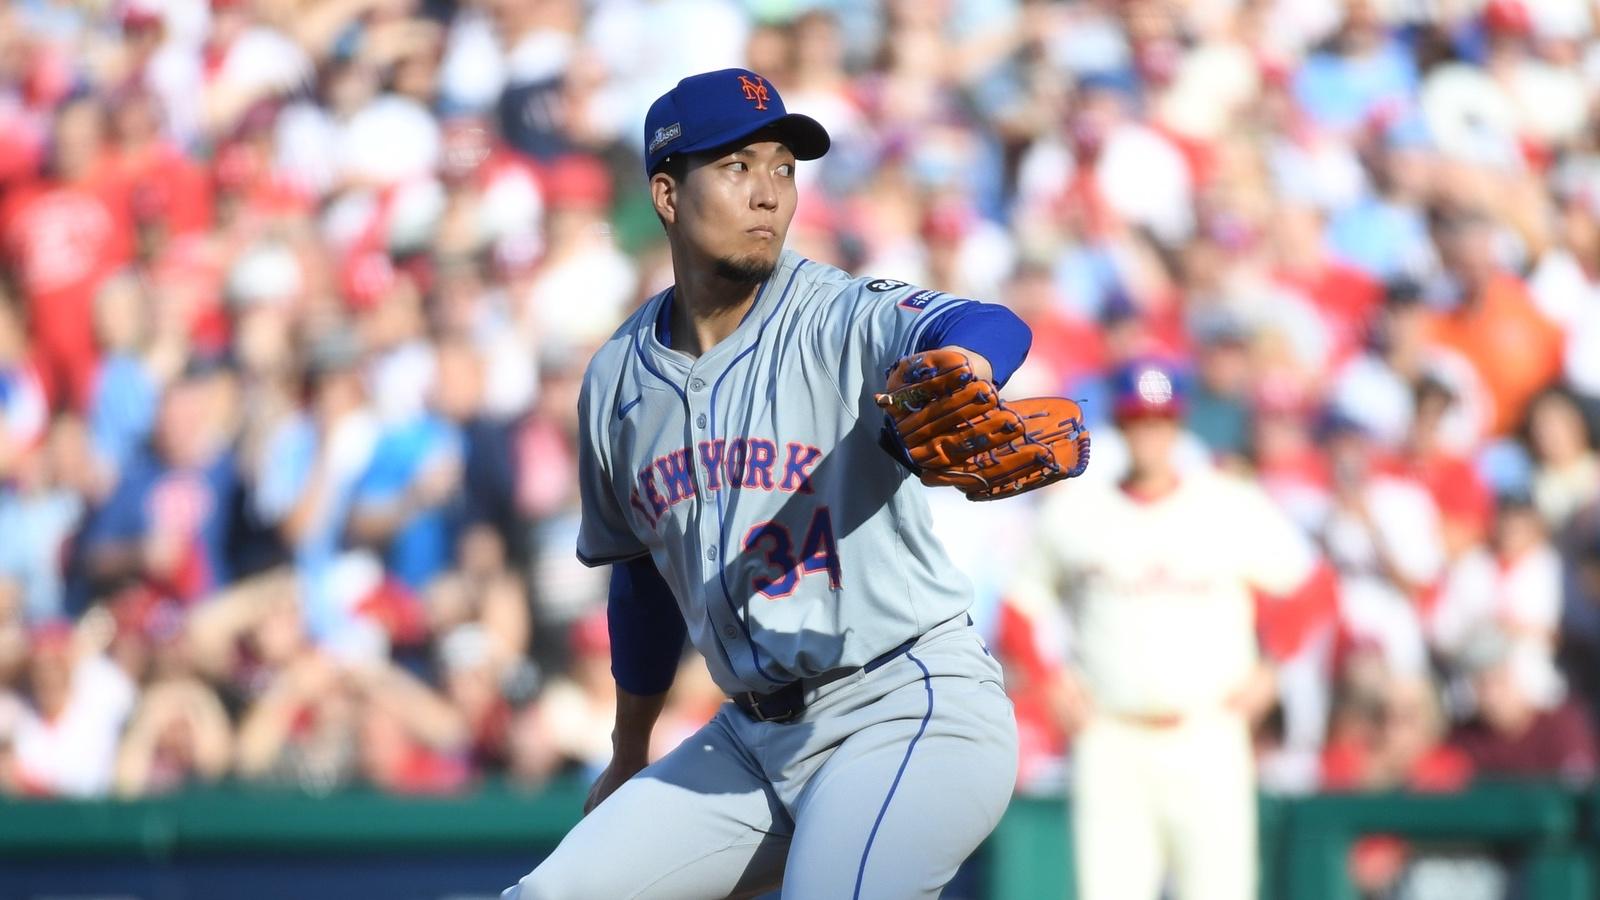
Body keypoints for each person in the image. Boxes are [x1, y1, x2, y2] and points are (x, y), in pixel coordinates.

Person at [503, 68, 1087, 900]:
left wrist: (962, 367)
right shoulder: (616, 382)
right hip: (751, 740)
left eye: (783, 167)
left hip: (907, 702)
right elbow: (642, 578)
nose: (769, 193)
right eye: (738, 168)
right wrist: (631, 754)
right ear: (667, 195)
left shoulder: (830, 314)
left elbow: (984, 323)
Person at [1009, 359, 1316, 900]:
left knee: (1219, 890)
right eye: (1138, 420)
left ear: (1178, 424)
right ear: (1121, 425)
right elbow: (1018, 608)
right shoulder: (1079, 509)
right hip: (1110, 733)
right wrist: (1049, 679)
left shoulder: (1226, 502)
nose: (1150, 433)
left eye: (1160, 420)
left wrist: (1271, 669)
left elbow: (1310, 588)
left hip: (1208, 730)